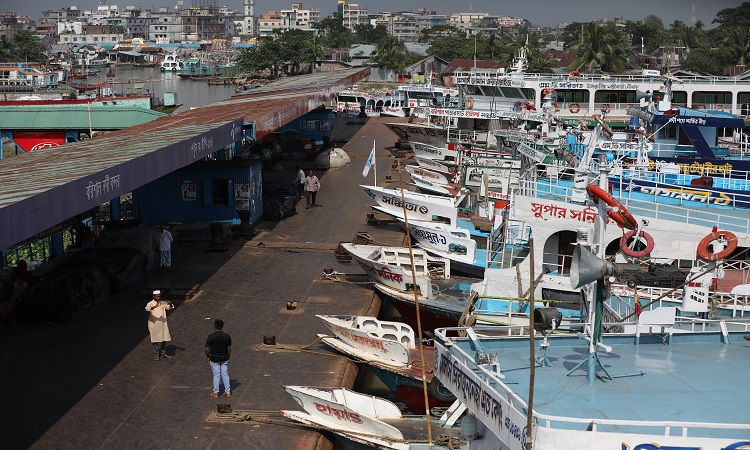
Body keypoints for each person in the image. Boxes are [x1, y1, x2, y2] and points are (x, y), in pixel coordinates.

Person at [205, 319, 232, 399]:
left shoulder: (211, 337)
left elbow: (206, 349)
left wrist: (208, 357)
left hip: (214, 358)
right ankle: (228, 392)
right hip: (224, 358)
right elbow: (229, 349)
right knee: (225, 374)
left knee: (216, 375)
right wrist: (228, 357)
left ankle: (216, 393)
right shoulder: (227, 336)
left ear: (214, 327)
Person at [145, 290, 174, 360]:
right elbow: (147, 308)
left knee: (164, 338)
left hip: (162, 324)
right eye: (157, 296)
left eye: (159, 296)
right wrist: (154, 307)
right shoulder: (150, 303)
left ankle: (164, 353)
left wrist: (170, 303)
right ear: (153, 296)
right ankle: (156, 355)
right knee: (155, 340)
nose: (158, 298)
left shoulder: (162, 303)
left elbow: (170, 307)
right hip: (154, 324)